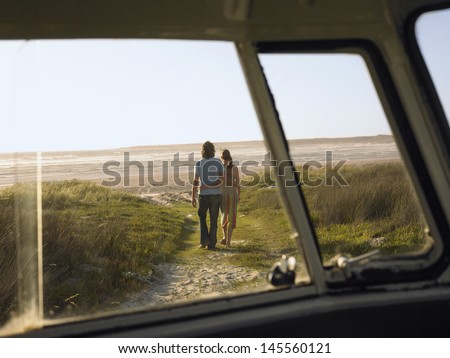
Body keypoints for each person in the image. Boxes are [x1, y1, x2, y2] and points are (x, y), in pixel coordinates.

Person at [191, 141, 223, 251]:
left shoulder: (199, 163)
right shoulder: (218, 162)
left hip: (203, 195)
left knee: (202, 217)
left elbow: (195, 181)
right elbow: (222, 180)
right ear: (213, 150)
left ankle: (204, 241)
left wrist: (193, 197)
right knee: (214, 219)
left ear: (202, 151)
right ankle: (212, 245)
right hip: (215, 195)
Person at [220, 149, 240, 247]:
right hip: (232, 193)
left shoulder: (220, 168)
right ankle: (228, 241)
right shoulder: (235, 168)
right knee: (232, 216)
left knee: (224, 214)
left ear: (222, 157)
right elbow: (238, 184)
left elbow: (219, 183)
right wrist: (239, 195)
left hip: (223, 193)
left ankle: (224, 236)